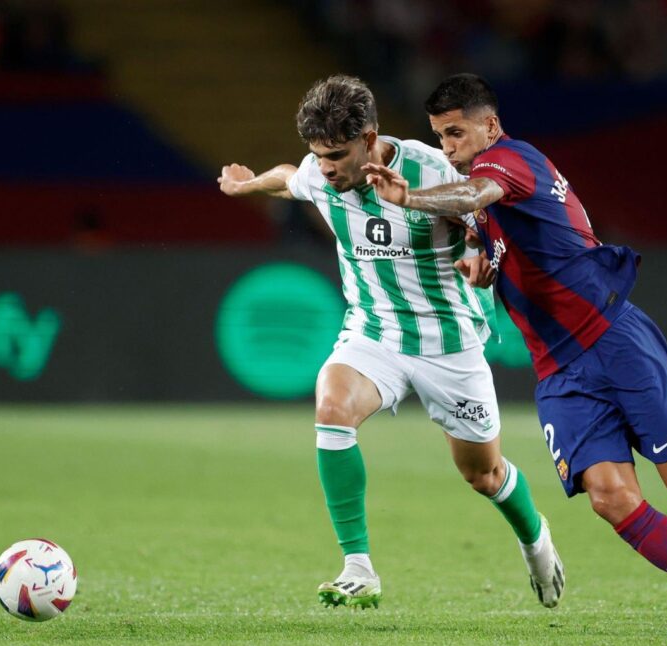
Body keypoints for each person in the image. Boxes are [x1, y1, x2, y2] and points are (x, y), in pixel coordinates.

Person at [364, 73, 667, 633]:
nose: (448, 149)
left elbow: (476, 195)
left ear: (489, 125)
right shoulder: (486, 185)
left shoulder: (511, 161)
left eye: (456, 133)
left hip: (612, 340)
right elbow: (489, 230)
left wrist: (409, 195)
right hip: (559, 372)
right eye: (440, 137)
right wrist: (478, 263)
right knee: (609, 497)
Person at [217, 75, 564, 610]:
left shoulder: (431, 168)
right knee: (331, 404)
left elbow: (484, 217)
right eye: (320, 154)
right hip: (373, 331)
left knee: (484, 474)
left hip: (448, 341)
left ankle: (535, 538)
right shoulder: (320, 171)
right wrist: (250, 184)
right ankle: (358, 566)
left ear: (371, 138)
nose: (327, 167)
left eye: (337, 154)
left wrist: (479, 255)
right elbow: (293, 177)